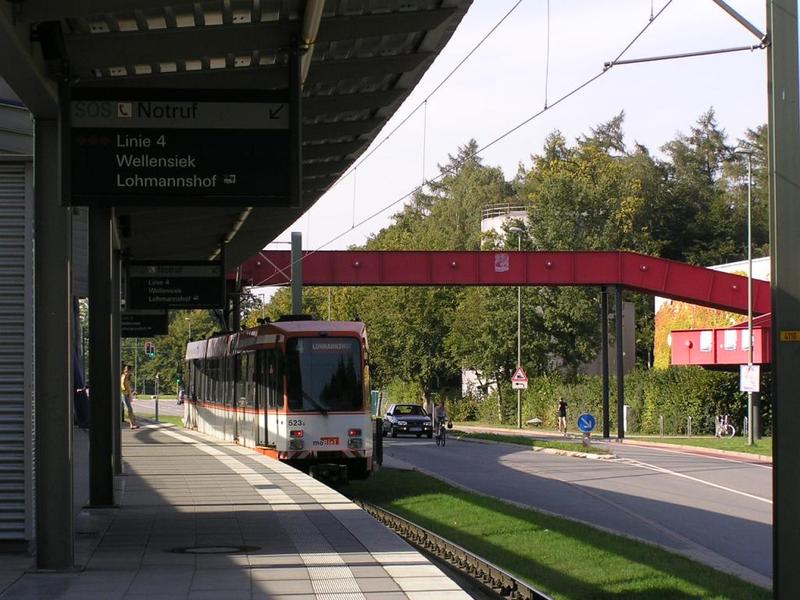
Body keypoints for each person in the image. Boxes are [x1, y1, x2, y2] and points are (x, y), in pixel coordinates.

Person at [120, 365, 139, 429]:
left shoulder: (128, 377)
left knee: (128, 409)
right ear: (129, 370)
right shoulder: (124, 376)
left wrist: (131, 392)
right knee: (129, 409)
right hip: (124, 394)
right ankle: (132, 424)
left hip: (126, 394)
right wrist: (125, 390)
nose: (132, 371)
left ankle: (132, 423)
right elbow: (122, 384)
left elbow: (127, 386)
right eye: (132, 370)